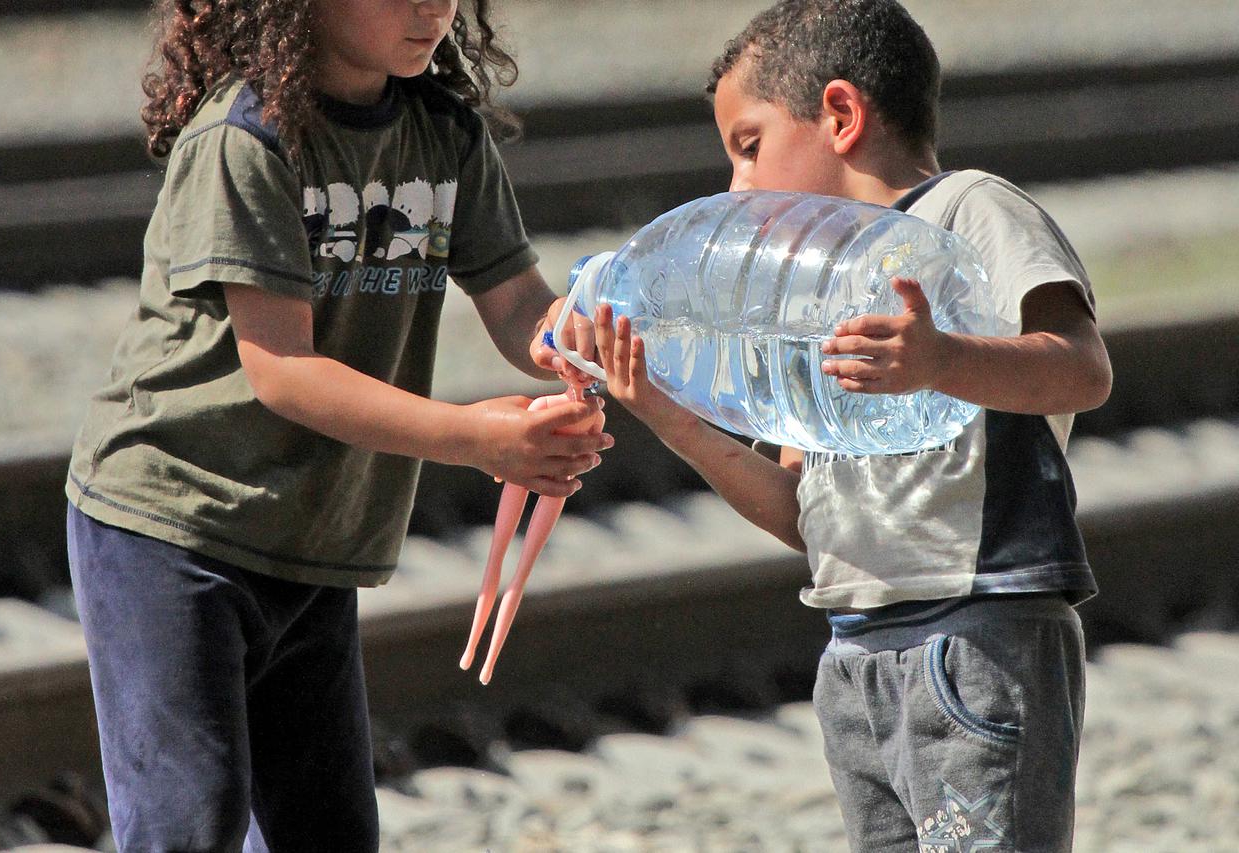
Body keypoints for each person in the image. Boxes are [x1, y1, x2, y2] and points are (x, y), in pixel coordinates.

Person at [64, 0, 612, 849]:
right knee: (190, 824)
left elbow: (519, 310)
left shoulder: (444, 133)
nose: (434, 6)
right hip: (173, 525)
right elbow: (285, 371)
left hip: (313, 533)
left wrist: (593, 346)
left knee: (327, 830)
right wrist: (482, 439)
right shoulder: (247, 138)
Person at [585, 1, 1112, 850]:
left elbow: (1084, 370)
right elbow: (799, 510)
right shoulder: (810, 297)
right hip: (854, 655)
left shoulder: (969, 211)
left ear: (840, 115)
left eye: (749, 146)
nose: (736, 188)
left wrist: (942, 360)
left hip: (975, 637)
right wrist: (659, 407)